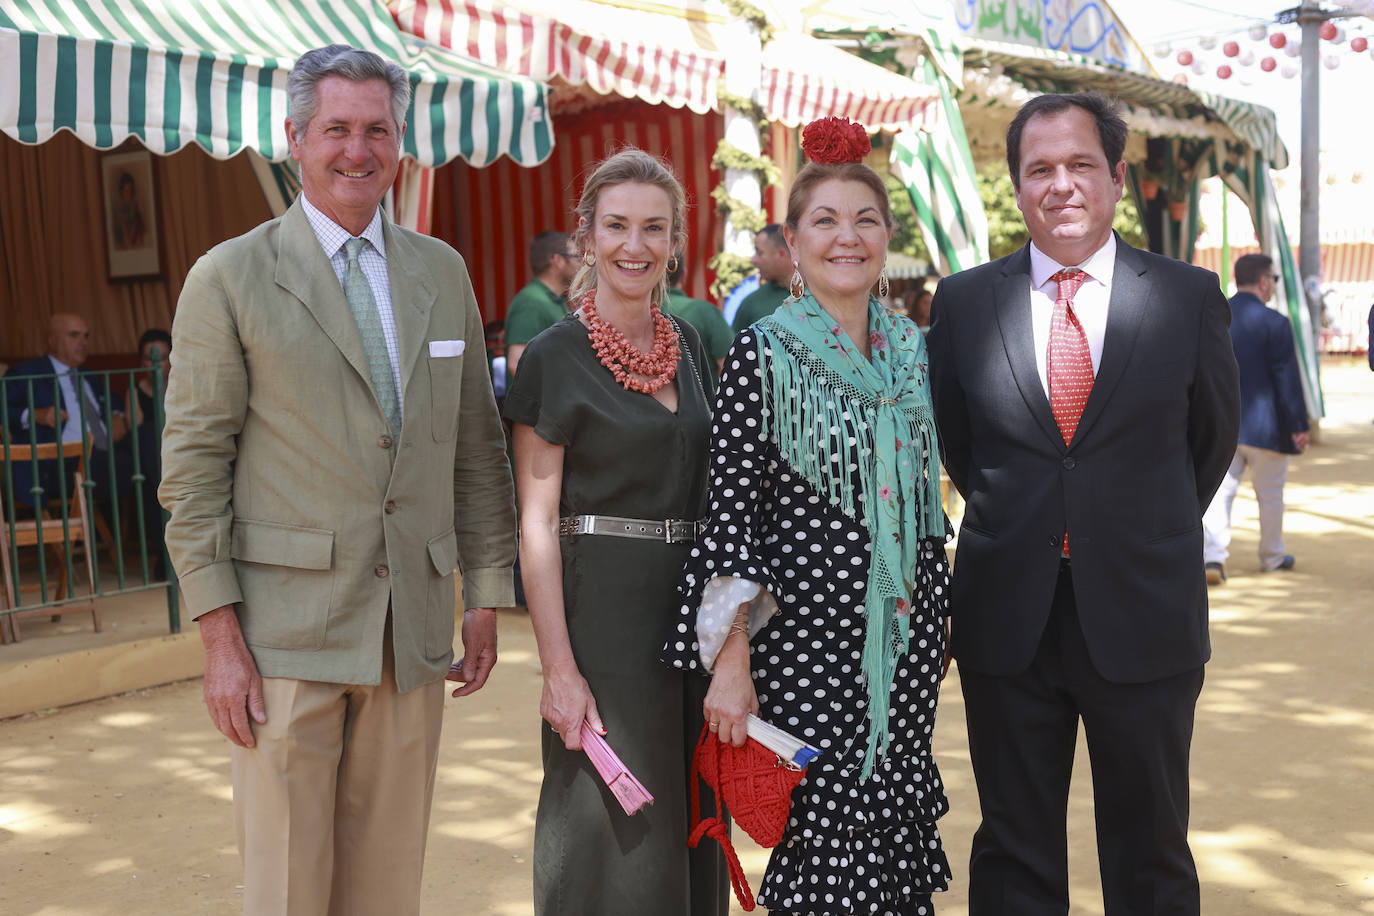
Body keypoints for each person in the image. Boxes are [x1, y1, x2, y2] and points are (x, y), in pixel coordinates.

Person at [158, 45, 515, 915]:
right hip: (284, 638)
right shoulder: (229, 277)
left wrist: (483, 594)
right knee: (288, 889)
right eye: (337, 130)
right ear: (295, 139)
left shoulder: (441, 270)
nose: (358, 150)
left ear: (401, 143)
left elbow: (474, 445)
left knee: (388, 888)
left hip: (412, 631)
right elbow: (194, 470)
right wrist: (219, 642)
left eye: (377, 130)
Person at [927, 92, 1240, 915]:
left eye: (1079, 165)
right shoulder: (963, 304)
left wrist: (1128, 527)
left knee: (1150, 850)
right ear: (1019, 184)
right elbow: (962, 448)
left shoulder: (1187, 295)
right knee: (1015, 850)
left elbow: (1206, 444)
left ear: (1117, 177)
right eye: (1039, 169)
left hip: (1145, 615)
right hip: (1008, 620)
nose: (1059, 185)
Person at [667, 116, 952, 915]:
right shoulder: (764, 353)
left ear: (887, 237)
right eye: (824, 221)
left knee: (892, 833)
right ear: (793, 243)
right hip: (806, 644)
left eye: (865, 221)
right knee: (823, 848)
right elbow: (730, 515)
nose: (847, 238)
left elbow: (928, 502)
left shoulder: (913, 350)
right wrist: (731, 661)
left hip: (904, 637)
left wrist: (943, 609)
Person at [504, 148, 727, 916]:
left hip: (691, 616)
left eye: (654, 228)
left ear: (674, 240)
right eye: (618, 226)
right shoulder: (556, 355)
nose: (635, 245)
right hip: (603, 614)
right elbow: (535, 522)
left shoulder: (692, 345)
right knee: (613, 837)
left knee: (691, 826)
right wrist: (558, 668)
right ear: (587, 235)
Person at [1202, 254, 1310, 583]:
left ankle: (1213, 559)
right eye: (1274, 280)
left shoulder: (1214, 316)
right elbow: (1286, 379)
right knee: (1271, 493)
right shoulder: (1275, 323)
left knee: (1219, 492)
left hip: (1221, 423)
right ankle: (1272, 556)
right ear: (1264, 281)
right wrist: (1299, 425)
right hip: (1267, 427)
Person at [3, 313, 131, 510]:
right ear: (52, 341)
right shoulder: (27, 372)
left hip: (105, 453)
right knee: (142, 468)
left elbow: (111, 399)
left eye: (86, 336)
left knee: (153, 447)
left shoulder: (88, 375)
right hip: (61, 462)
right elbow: (2, 406)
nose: (83, 342)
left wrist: (117, 415)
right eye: (74, 335)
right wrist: (35, 415)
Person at [505, 230, 579, 377]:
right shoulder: (531, 302)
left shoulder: (554, 301)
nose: (581, 262)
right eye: (575, 256)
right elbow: (516, 363)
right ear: (557, 260)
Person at [130, 328, 172, 576]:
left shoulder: (182, 384)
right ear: (141, 361)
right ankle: (162, 555)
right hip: (152, 462)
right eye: (149, 357)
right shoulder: (135, 391)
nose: (156, 363)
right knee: (147, 436)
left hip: (178, 457)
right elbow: (133, 430)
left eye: (163, 356)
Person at [664, 255, 732, 396]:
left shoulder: (629, 312)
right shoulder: (706, 311)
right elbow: (733, 369)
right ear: (684, 274)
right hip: (703, 410)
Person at [730, 223, 792, 332]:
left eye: (760, 253)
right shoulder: (751, 303)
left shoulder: (817, 293)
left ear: (781, 254)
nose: (754, 260)